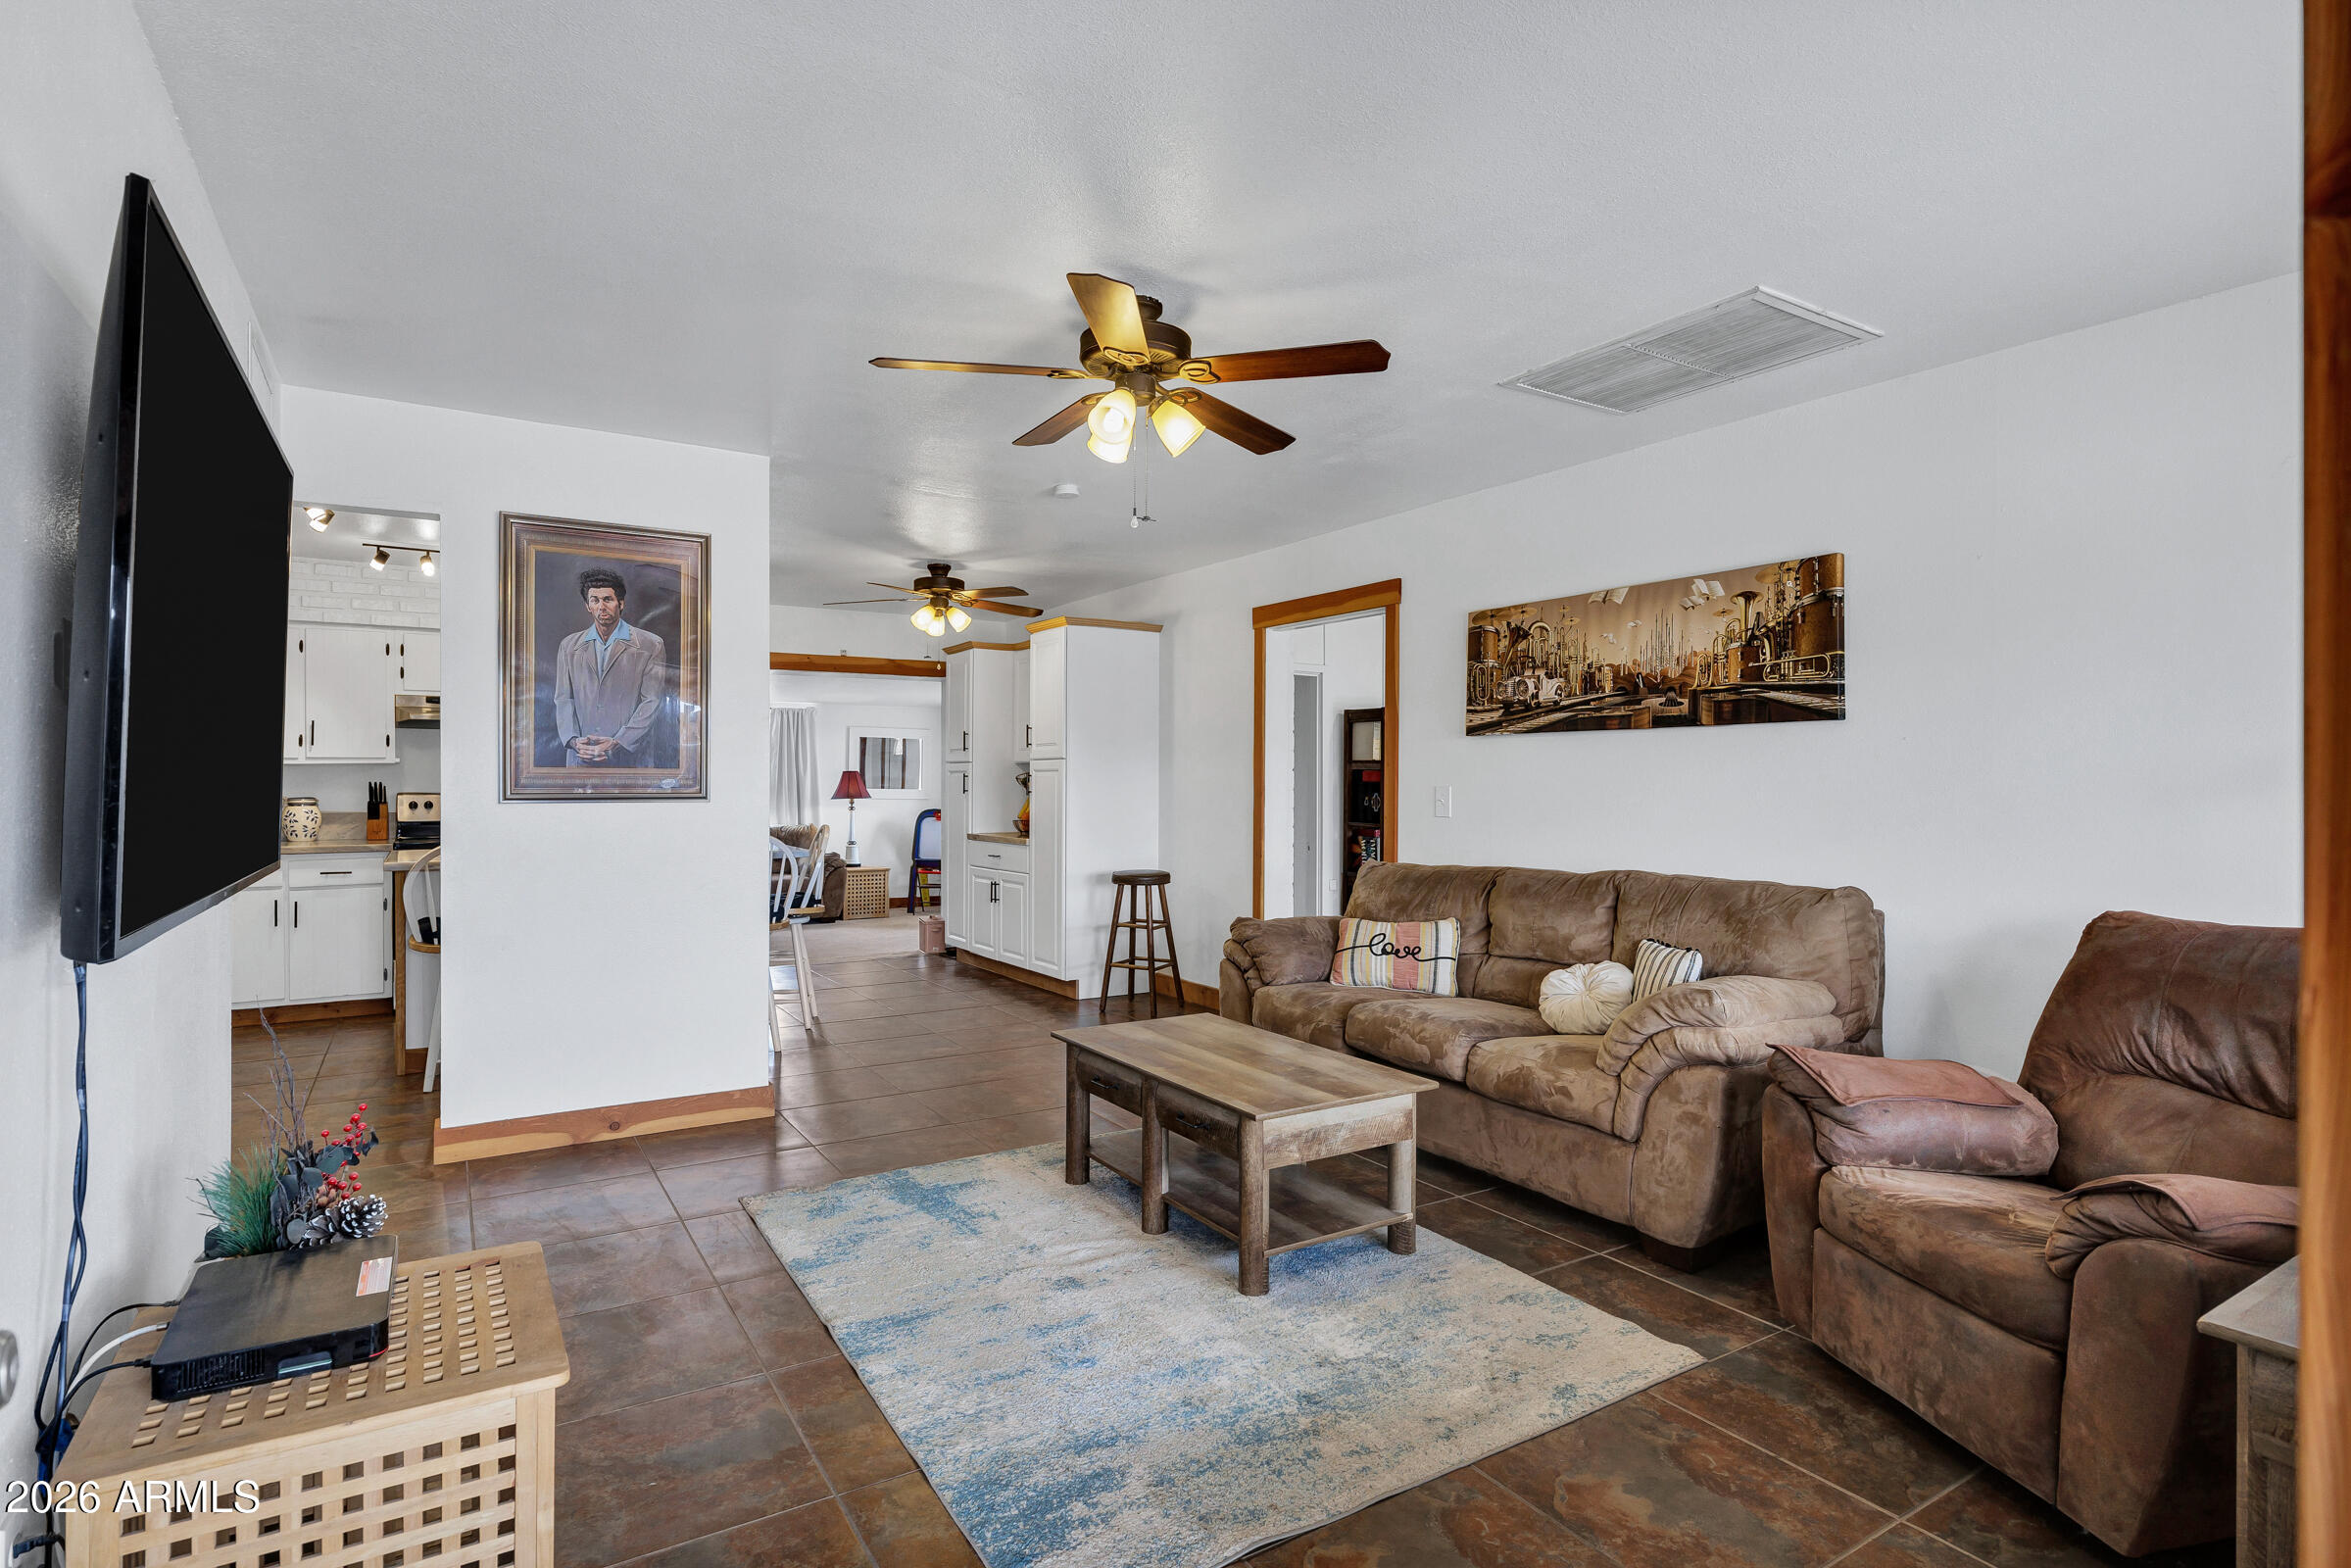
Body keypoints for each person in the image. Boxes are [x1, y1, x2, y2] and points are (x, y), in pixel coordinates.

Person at [552, 567, 668, 766]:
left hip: (630, 760)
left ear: (620, 603)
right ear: (588, 606)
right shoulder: (568, 646)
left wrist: (618, 742)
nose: (601, 607)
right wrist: (573, 741)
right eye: (595, 600)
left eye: (608, 599)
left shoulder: (651, 644)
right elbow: (563, 699)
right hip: (581, 758)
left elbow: (652, 702)